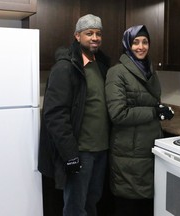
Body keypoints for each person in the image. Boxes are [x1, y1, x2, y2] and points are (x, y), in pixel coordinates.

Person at [38, 14, 110, 216]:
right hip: (80, 151)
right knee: (75, 207)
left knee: (92, 201)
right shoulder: (65, 67)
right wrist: (70, 155)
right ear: (77, 36)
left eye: (98, 33)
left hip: (101, 149)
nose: (95, 37)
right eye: (89, 33)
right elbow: (54, 116)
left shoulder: (102, 65)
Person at [105, 25, 174, 216]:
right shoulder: (117, 72)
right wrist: (154, 112)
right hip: (129, 151)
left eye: (145, 42)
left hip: (149, 147)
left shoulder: (150, 70)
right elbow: (118, 114)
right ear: (127, 44)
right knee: (128, 205)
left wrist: (162, 110)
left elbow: (149, 101)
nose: (141, 47)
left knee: (147, 205)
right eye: (136, 42)